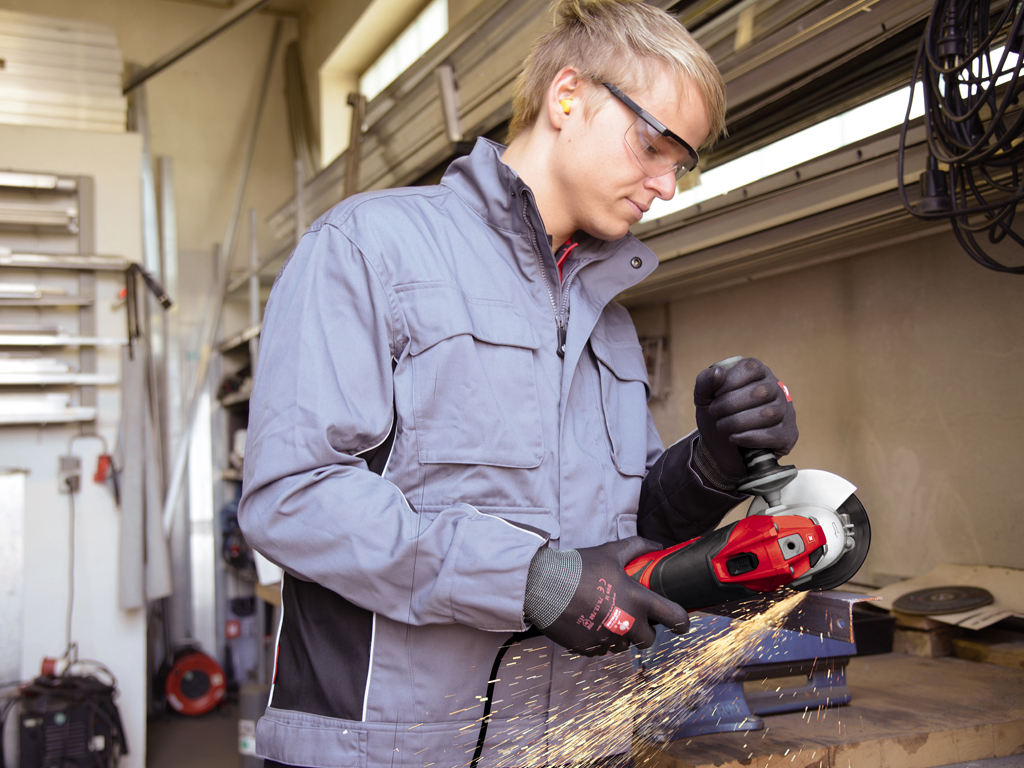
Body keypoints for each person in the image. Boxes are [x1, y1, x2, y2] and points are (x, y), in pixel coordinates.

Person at [238, 1, 798, 766]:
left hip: (575, 744)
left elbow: (628, 535)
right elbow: (293, 497)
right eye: (655, 145)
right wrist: (529, 579)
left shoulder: (607, 320)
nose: (667, 186)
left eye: (682, 163)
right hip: (389, 750)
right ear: (568, 97)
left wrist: (710, 466)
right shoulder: (371, 249)